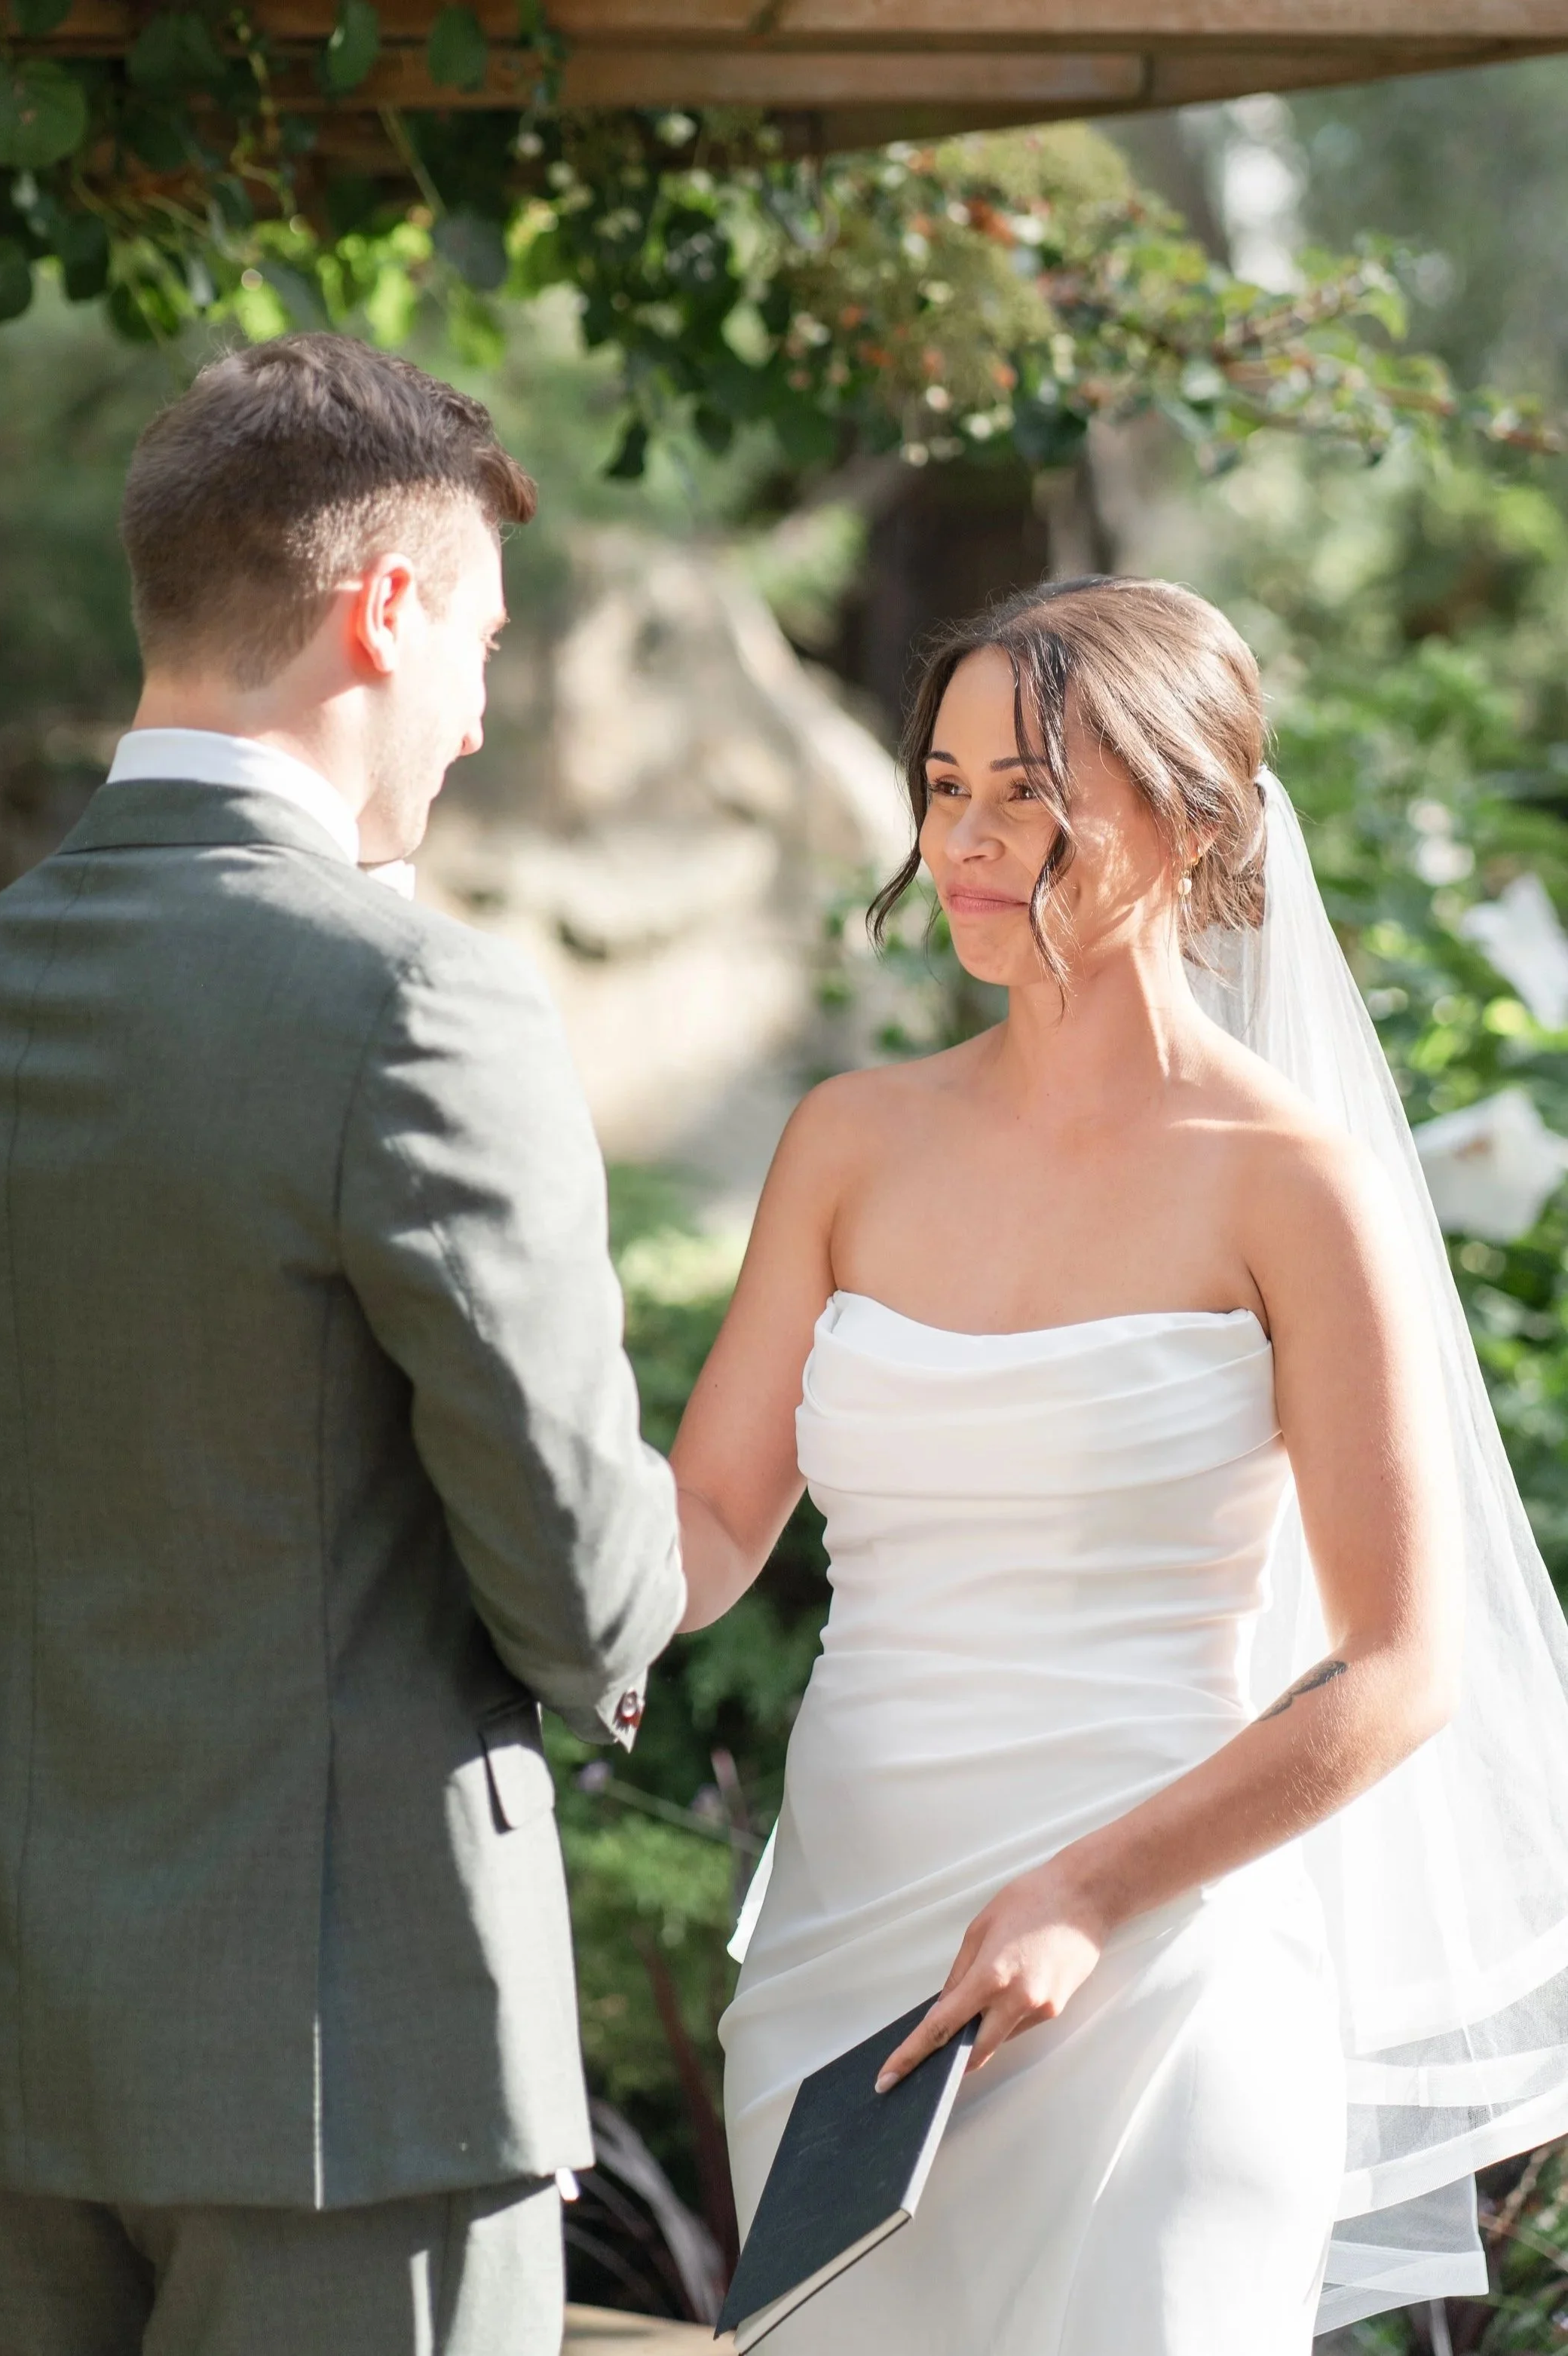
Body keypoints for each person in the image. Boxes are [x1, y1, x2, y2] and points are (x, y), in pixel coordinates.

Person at [0, 332, 684, 2356]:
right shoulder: (412, 1002)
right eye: (479, 642)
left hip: (30, 2039)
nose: (476, 718)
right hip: (351, 2048)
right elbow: (580, 1577)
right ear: (385, 608)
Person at [672, 575, 1568, 2349]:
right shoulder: (848, 1141)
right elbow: (705, 1516)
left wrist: (1086, 1890)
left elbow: (1396, 1667)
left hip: (1160, 1973)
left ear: (1195, 811)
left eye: (1030, 788)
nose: (970, 839)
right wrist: (557, 1590)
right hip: (845, 1980)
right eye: (942, 786)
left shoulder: (1287, 1178)